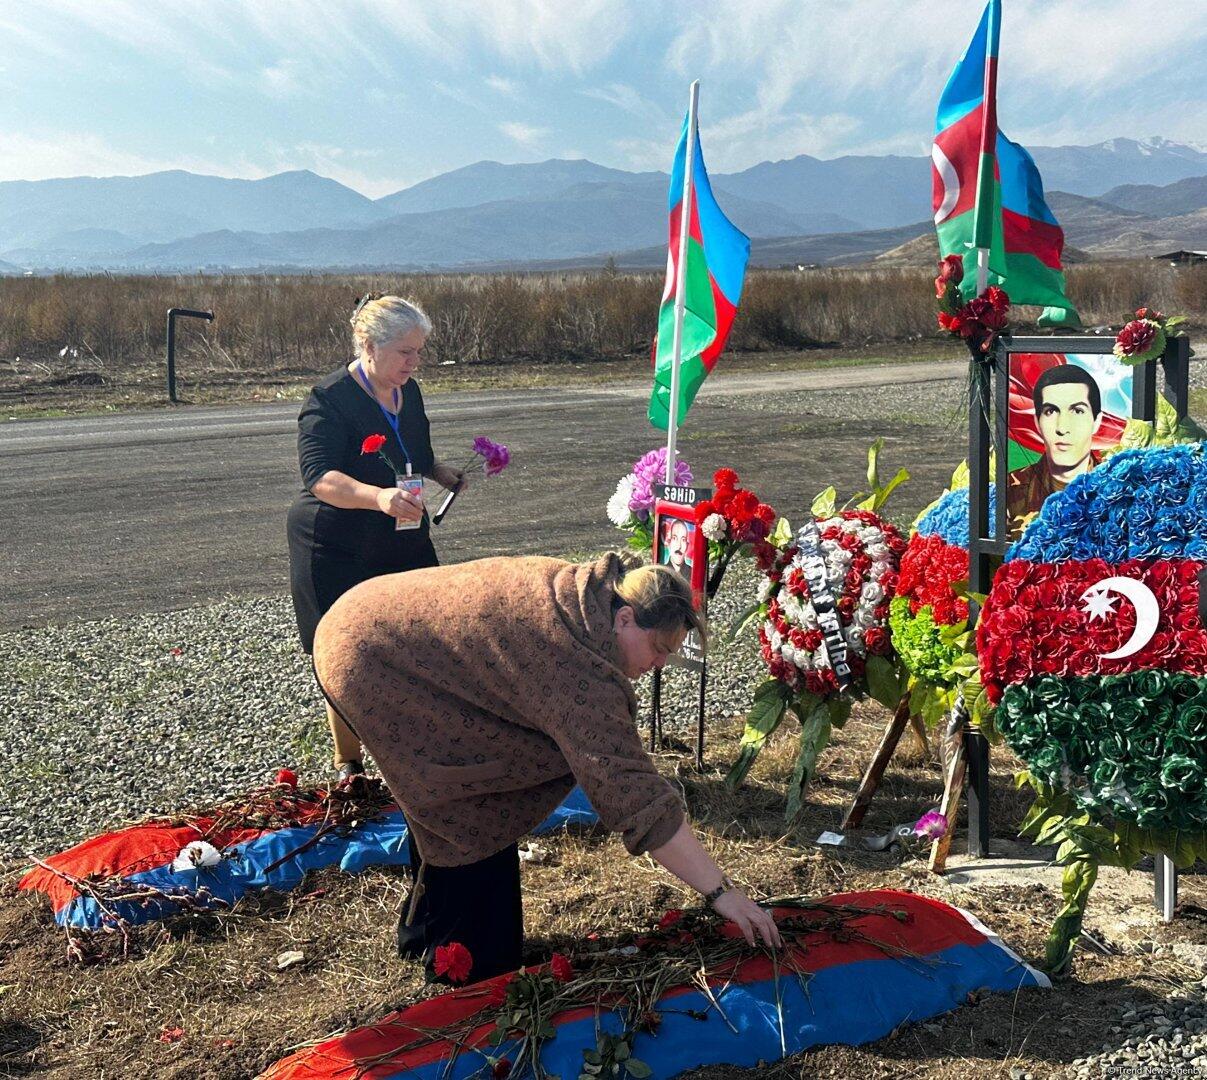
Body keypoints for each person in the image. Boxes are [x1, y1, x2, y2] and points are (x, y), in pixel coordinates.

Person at [313, 552, 781, 982]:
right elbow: (631, 793)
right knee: (464, 806)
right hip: (371, 658)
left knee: (477, 788)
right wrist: (721, 893)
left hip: (368, 620)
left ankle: (422, 932)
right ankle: (453, 958)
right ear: (624, 618)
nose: (659, 664)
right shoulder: (578, 669)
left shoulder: (588, 596)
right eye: (659, 649)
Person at [287, 294, 467, 781]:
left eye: (419, 351)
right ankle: (349, 765)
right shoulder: (328, 400)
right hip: (335, 544)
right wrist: (378, 497)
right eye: (405, 351)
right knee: (345, 655)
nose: (415, 361)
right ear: (367, 345)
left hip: (402, 534)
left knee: (424, 638)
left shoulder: (411, 392)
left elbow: (415, 454)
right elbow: (319, 476)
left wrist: (440, 472)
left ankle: (415, 749)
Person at [1007, 363, 1103, 538]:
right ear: (1037, 422)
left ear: (1096, 421)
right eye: (1050, 411)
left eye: (1077, 411)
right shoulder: (1010, 489)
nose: (1062, 427)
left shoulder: (1116, 488)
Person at [661, 517, 693, 584]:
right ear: (669, 542)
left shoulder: (693, 573)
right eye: (674, 538)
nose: (679, 546)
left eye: (683, 540)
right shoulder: (660, 571)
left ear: (687, 545)